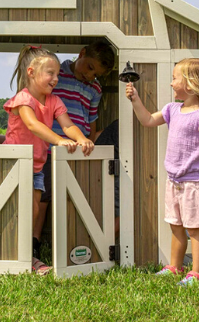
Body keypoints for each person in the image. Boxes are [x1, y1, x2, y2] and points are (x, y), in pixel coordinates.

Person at [126, 58, 199, 286]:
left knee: (195, 230)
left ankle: (197, 273)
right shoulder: (172, 110)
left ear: (190, 84)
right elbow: (148, 120)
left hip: (195, 184)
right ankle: (175, 267)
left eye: (174, 78)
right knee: (176, 227)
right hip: (174, 182)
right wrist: (135, 99)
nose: (171, 83)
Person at [3, 45, 95, 274]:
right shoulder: (23, 99)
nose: (56, 78)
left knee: (33, 210)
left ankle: (26, 257)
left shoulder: (54, 101)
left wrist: (81, 138)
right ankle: (14, 254)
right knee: (19, 210)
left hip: (36, 166)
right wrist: (58, 140)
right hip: (14, 163)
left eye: (57, 74)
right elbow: (33, 125)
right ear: (32, 72)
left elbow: (68, 125)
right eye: (50, 74)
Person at [33, 41, 116, 256]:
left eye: (96, 74)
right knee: (43, 196)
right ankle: (35, 241)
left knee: (73, 198)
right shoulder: (57, 76)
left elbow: (91, 120)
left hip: (77, 150)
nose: (90, 75)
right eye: (89, 67)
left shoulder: (94, 88)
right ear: (81, 54)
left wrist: (89, 143)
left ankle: (71, 241)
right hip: (50, 148)